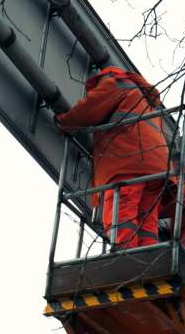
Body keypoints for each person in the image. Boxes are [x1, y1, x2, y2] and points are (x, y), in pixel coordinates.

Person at [56, 66, 169, 249]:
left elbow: (90, 108)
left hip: (128, 162)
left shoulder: (116, 83)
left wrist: (66, 122)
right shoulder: (147, 102)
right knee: (146, 221)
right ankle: (148, 260)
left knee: (122, 211)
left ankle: (124, 255)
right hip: (158, 169)